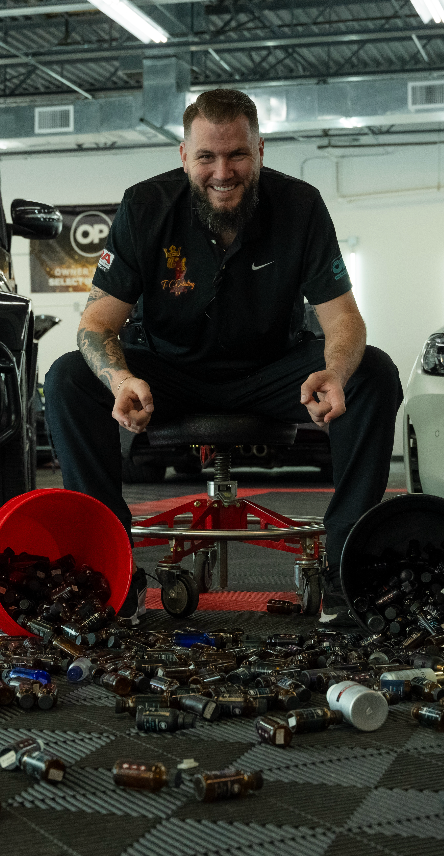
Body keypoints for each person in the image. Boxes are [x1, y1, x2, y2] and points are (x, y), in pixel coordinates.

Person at [44, 88, 402, 625]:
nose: (223, 172)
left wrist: (336, 370)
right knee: (68, 379)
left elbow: (343, 319)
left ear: (260, 150)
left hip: (271, 370)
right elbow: (96, 324)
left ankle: (346, 566)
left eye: (237, 155)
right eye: (207, 157)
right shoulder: (144, 207)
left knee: (374, 372)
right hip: (169, 369)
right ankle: (109, 570)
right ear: (184, 156)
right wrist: (119, 378)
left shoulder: (300, 206)